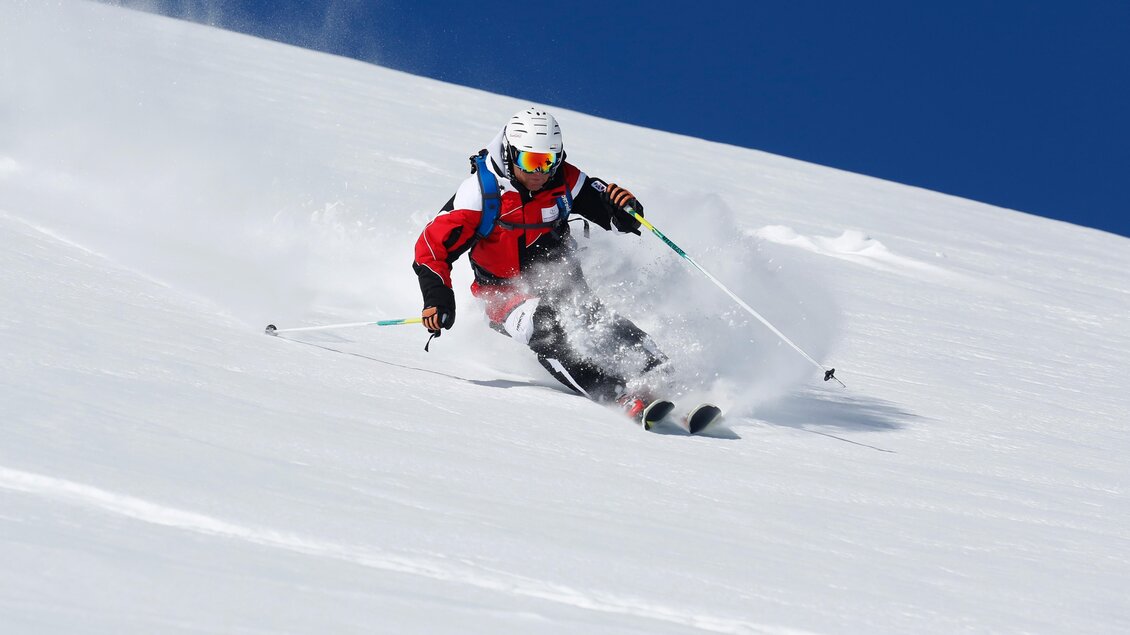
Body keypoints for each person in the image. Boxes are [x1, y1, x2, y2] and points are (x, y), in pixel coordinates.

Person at [412, 107, 671, 419]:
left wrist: (625, 211)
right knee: (547, 327)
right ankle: (615, 393)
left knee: (595, 318)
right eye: (531, 161)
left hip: (562, 283)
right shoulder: (480, 194)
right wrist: (437, 298)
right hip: (504, 297)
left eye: (548, 160)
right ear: (510, 154)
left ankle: (660, 371)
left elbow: (611, 215)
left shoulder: (564, 180)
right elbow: (431, 248)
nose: (540, 172)